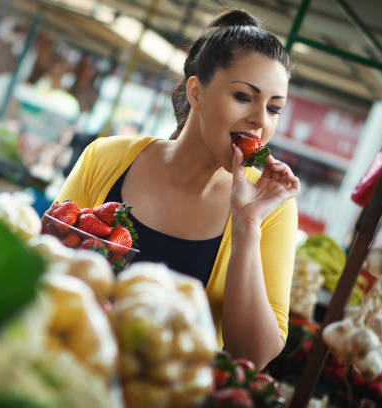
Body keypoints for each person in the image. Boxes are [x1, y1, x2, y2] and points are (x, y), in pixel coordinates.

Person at [52, 9, 300, 370]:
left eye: (274, 109)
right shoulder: (105, 158)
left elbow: (254, 355)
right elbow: (45, 262)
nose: (261, 120)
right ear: (197, 92)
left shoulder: (272, 207)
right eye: (245, 97)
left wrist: (247, 224)